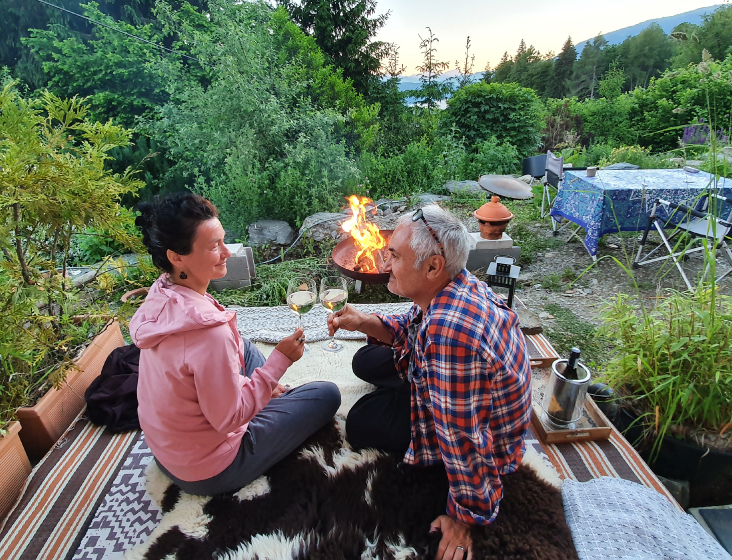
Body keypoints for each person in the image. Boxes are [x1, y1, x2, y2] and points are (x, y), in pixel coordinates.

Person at [328, 204, 532, 560]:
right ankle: (415, 383)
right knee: (364, 359)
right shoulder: (451, 286)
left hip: (481, 429)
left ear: (433, 266)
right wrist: (364, 322)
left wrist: (465, 516)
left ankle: (413, 394)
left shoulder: (449, 334)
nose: (385, 265)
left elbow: (462, 435)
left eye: (393, 256)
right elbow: (410, 327)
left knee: (361, 421)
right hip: (445, 376)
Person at [130, 192, 340, 496]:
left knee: (245, 347)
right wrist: (277, 365)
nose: (227, 252)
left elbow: (204, 368)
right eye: (214, 246)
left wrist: (252, 384)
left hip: (169, 450)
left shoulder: (162, 292)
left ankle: (261, 394)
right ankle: (266, 398)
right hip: (210, 468)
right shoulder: (208, 333)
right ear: (177, 256)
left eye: (223, 240)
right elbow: (228, 419)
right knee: (326, 394)